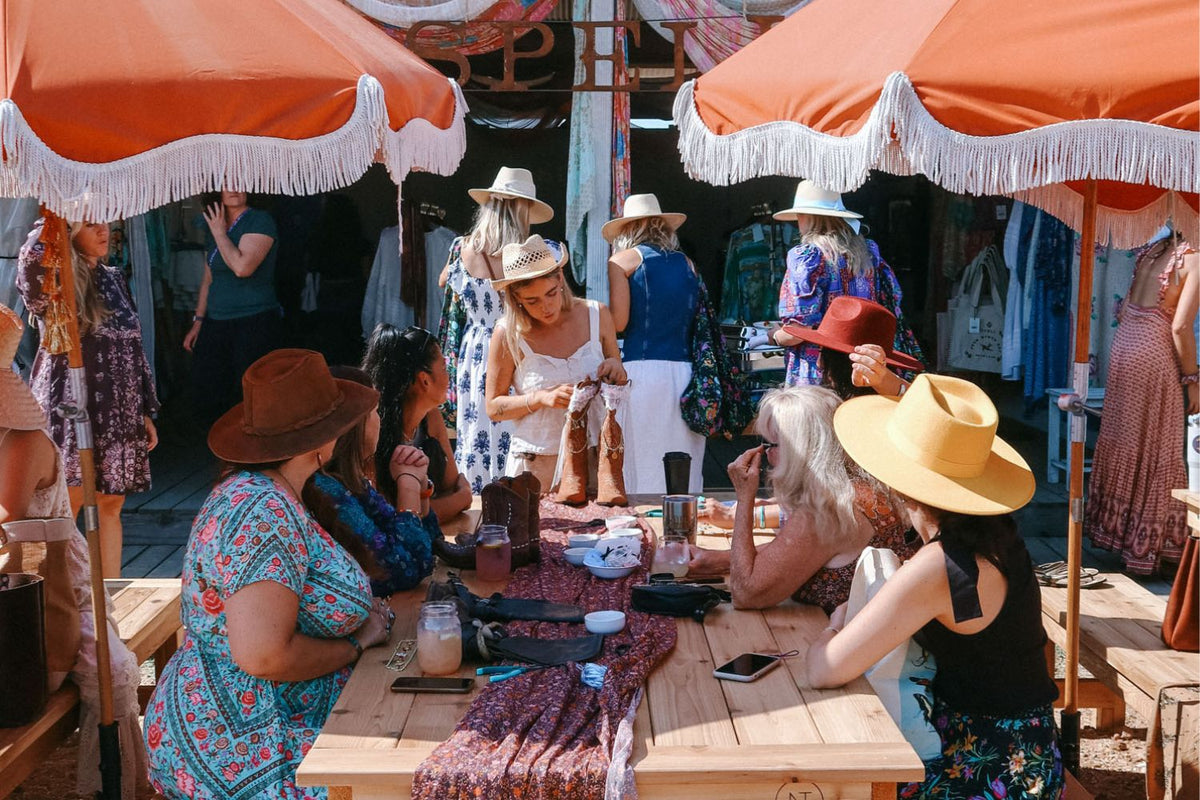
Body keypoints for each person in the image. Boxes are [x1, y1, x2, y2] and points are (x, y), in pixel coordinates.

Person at [144, 349, 394, 800]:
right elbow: (264, 656)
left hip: (256, 718)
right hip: (248, 738)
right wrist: (356, 643)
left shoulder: (272, 494)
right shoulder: (263, 510)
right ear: (321, 439)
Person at [808, 374, 1063, 799]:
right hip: (1029, 754)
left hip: (987, 766)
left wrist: (835, 625)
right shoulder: (999, 537)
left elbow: (825, 669)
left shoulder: (939, 566)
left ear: (902, 484)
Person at [0, 301, 148, 797]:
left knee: (111, 669)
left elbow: (5, 523)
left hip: (48, 587)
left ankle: (113, 781)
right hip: (14, 582)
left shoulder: (20, 442)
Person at [17, 213, 159, 579]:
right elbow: (31, 267)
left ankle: (108, 594)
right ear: (70, 230)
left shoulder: (113, 278)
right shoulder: (56, 277)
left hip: (118, 409)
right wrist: (56, 220)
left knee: (111, 503)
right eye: (91, 224)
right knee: (70, 502)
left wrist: (144, 409)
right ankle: (66, 599)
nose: (103, 230)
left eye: (106, 222)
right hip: (72, 405)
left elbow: (133, 347)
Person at [699, 297, 922, 531]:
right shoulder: (870, 411)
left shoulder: (871, 423)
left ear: (836, 362)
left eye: (823, 352)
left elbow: (836, 508)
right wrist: (770, 504)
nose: (818, 363)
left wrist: (746, 514)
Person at [687, 386, 916, 612]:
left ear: (797, 449)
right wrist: (719, 559)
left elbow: (746, 594)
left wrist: (744, 498)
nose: (765, 454)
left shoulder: (823, 508)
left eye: (770, 445)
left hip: (827, 630)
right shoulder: (857, 488)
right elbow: (797, 551)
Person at [1087, 235, 1198, 575]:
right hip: (1154, 354)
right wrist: (1193, 378)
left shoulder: (1157, 248)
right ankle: (1148, 546)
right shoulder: (1195, 259)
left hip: (1125, 347)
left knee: (1126, 442)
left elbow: (1129, 307)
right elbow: (1180, 326)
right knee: (1160, 448)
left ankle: (1118, 535)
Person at [439, 166, 554, 493]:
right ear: (522, 210)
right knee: (515, 431)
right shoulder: (529, 252)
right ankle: (515, 501)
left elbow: (444, 281)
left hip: (474, 352)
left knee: (476, 430)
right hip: (515, 347)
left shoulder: (461, 248)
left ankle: (479, 504)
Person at [484, 235, 627, 498]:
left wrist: (614, 369)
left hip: (596, 459)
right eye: (532, 301)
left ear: (560, 279)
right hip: (537, 464)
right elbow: (493, 407)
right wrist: (541, 398)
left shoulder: (597, 314)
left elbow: (618, 374)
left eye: (551, 293)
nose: (546, 306)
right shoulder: (508, 333)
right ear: (516, 298)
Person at [769, 180, 922, 387]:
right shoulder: (868, 253)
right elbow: (891, 301)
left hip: (819, 371)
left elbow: (798, 331)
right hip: (862, 365)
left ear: (807, 217)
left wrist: (774, 336)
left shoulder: (807, 258)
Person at [302, 366, 437, 597]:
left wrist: (421, 487)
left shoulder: (353, 483)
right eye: (375, 411)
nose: (379, 420)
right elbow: (402, 570)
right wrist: (408, 484)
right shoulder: (325, 489)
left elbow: (428, 545)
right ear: (356, 424)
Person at [605, 193, 706, 494]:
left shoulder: (621, 262)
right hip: (686, 374)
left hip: (642, 372)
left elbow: (619, 322)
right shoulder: (688, 264)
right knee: (684, 468)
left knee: (643, 465)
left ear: (627, 230)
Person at [183, 189, 283, 429]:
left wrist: (219, 233)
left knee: (249, 393)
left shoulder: (259, 220)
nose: (234, 188)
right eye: (227, 181)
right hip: (217, 320)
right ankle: (218, 444)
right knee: (210, 388)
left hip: (253, 319)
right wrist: (198, 320)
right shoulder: (214, 222)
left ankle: (252, 446)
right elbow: (209, 278)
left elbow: (242, 267)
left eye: (240, 181)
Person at [362, 324, 471, 523]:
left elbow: (451, 485)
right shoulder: (374, 431)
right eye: (444, 368)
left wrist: (453, 499)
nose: (449, 375)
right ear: (425, 380)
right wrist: (462, 498)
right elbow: (400, 516)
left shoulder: (431, 417)